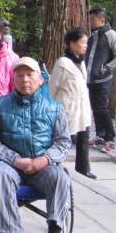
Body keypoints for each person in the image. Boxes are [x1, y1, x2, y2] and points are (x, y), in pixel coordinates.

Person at [0, 57, 72, 233]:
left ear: (40, 79)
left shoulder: (55, 107)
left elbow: (63, 141)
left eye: (30, 75)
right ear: (13, 79)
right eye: (20, 75)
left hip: (42, 166)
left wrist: (45, 159)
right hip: (12, 165)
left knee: (61, 178)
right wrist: (16, 160)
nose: (25, 80)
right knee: (0, 173)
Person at [50, 28, 96, 179]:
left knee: (84, 138)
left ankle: (83, 167)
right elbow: (53, 87)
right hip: (68, 107)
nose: (85, 46)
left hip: (82, 106)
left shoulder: (81, 61)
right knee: (64, 139)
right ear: (71, 44)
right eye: (82, 42)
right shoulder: (62, 63)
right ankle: (56, 165)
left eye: (86, 43)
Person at [85, 7, 116, 152]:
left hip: (103, 79)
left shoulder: (111, 35)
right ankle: (100, 135)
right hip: (90, 79)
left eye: (93, 19)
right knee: (95, 108)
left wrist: (105, 68)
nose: (91, 21)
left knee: (102, 108)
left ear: (102, 20)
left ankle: (111, 137)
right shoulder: (92, 36)